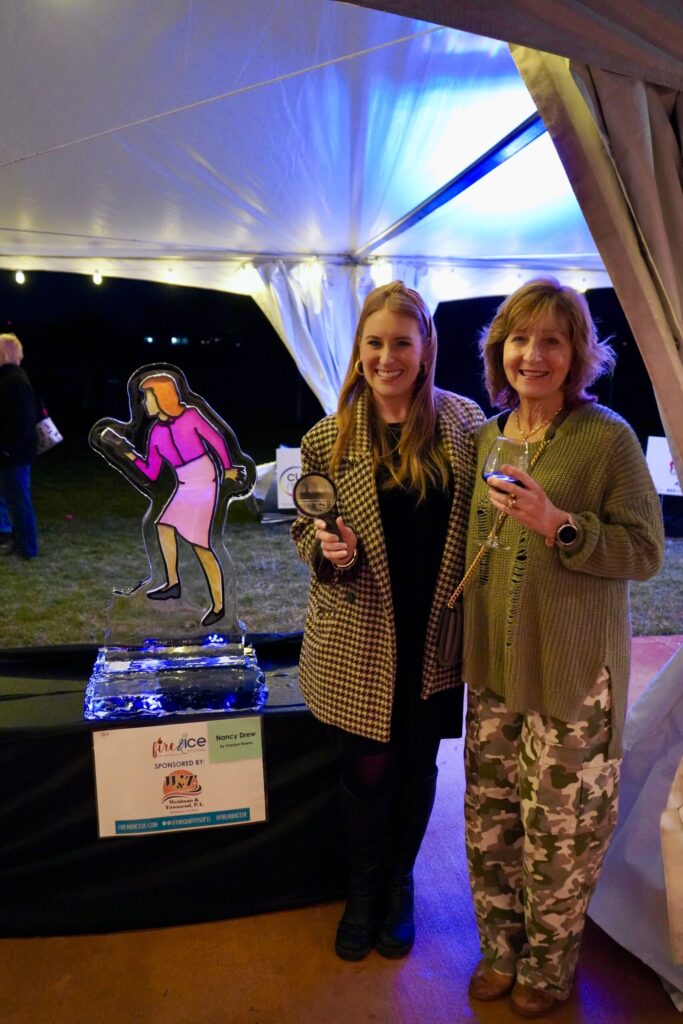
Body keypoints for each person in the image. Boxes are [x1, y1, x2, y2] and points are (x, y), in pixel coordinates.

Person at [462, 278, 664, 1018]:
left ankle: (546, 970)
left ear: (577, 353)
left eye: (552, 340)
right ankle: (498, 952)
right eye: (519, 339)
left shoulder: (605, 436)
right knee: (490, 822)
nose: (533, 354)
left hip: (573, 675)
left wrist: (558, 524)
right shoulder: (488, 437)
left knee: (558, 835)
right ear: (499, 351)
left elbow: (645, 552)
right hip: (492, 674)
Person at [292, 280, 484, 961]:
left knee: (415, 763)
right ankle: (363, 889)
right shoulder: (329, 436)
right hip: (357, 635)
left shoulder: (465, 427)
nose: (385, 357)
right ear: (358, 350)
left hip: (434, 633)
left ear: (425, 347)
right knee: (367, 766)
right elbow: (303, 528)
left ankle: (399, 884)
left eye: (400, 343)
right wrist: (326, 547)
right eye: (373, 343)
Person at [100, 371, 246, 627]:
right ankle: (172, 583)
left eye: (147, 397)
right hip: (183, 482)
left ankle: (220, 605)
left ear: (162, 396)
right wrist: (127, 454)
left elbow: (216, 439)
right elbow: (152, 472)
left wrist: (228, 467)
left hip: (204, 478)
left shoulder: (190, 416)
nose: (144, 404)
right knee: (164, 526)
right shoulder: (155, 432)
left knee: (201, 544)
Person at [0, 333, 39, 559]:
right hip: (12, 451)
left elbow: (19, 421)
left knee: (19, 500)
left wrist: (7, 447)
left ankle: (27, 547)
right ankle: (19, 542)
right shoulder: (11, 377)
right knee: (14, 500)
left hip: (14, 452)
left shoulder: (13, 380)